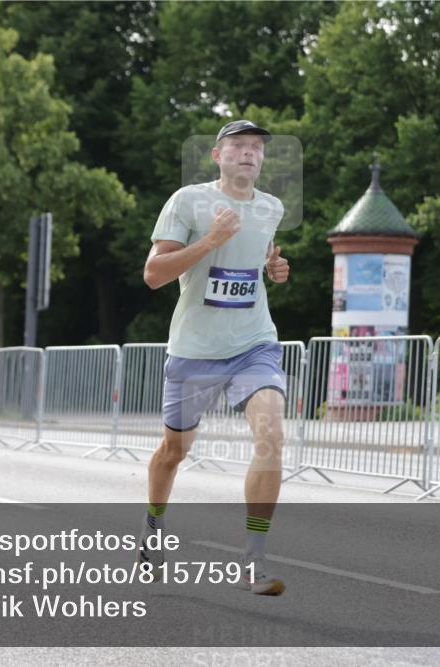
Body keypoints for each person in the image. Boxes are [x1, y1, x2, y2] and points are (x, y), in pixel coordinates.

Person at [139, 120, 291, 596]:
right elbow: (153, 274)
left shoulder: (272, 207)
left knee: (271, 436)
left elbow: (251, 266)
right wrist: (209, 241)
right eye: (238, 146)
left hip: (253, 345)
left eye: (256, 148)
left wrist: (273, 268)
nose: (249, 153)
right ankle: (153, 530)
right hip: (195, 352)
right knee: (173, 453)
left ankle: (254, 560)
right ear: (217, 156)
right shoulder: (188, 202)